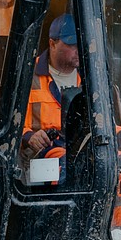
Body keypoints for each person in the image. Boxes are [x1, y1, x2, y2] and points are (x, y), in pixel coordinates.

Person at [23, 13, 81, 165]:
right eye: (72, 44)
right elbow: (2, 121)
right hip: (40, 157)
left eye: (81, 43)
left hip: (83, 150)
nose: (79, 49)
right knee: (69, 166)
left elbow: (104, 121)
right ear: (52, 43)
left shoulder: (91, 79)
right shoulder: (26, 75)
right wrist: (28, 136)